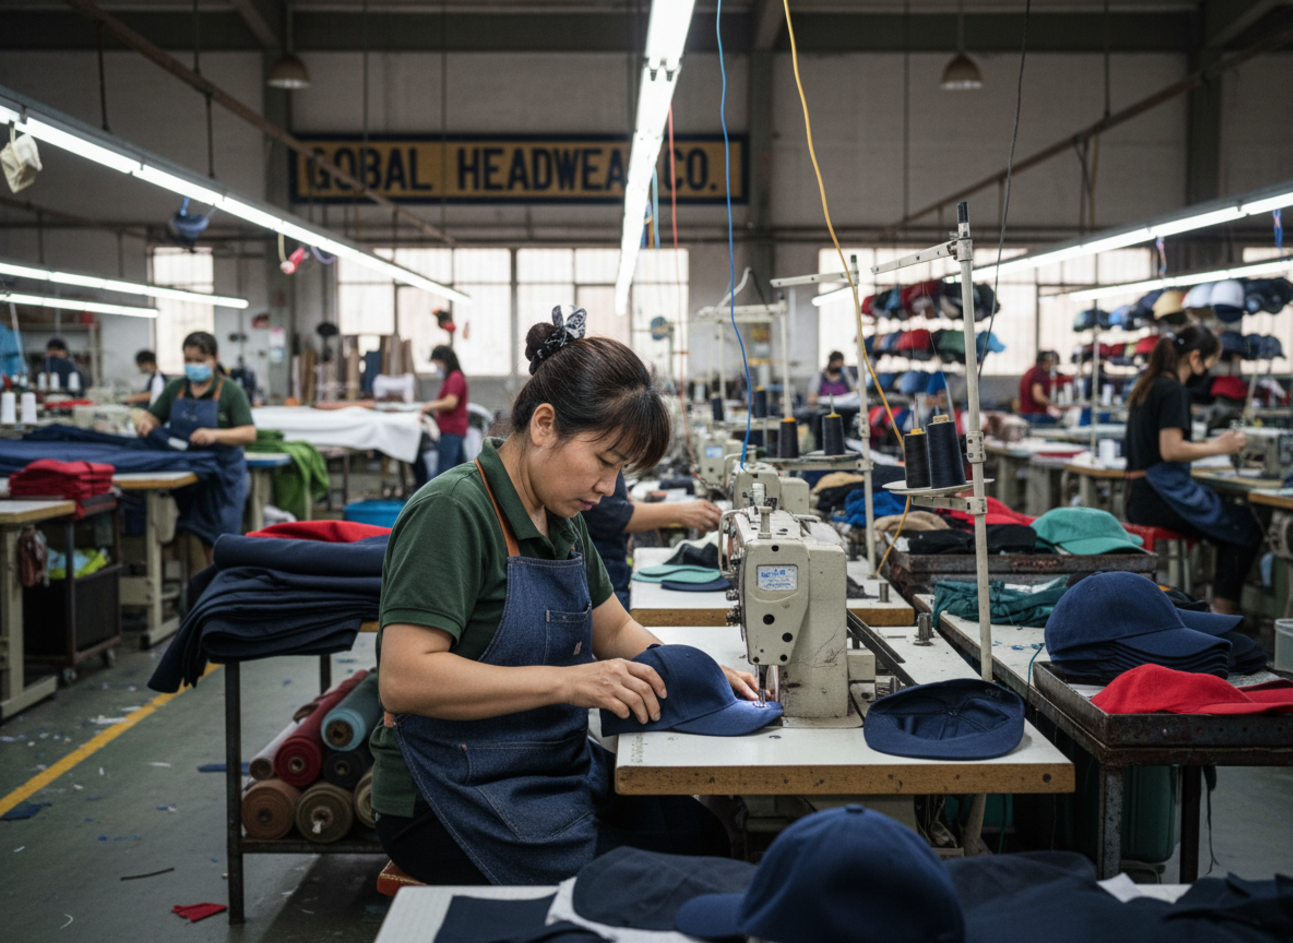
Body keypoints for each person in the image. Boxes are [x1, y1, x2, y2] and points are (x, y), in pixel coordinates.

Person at [373, 307, 756, 886]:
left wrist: (696, 674)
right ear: (545, 425)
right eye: (604, 462)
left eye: (620, 469)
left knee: (701, 836)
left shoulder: (561, 514)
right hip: (450, 793)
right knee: (679, 877)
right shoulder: (454, 511)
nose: (608, 488)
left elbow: (615, 631)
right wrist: (571, 682)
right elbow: (404, 679)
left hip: (545, 765)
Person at [1124, 325, 1260, 615]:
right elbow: (1171, 449)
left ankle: (1211, 607)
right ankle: (1224, 613)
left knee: (1230, 525)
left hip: (1140, 496)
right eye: (1211, 363)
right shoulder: (1173, 390)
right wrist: (1220, 446)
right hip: (1160, 496)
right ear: (1196, 357)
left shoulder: (1148, 384)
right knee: (1245, 527)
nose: (1208, 371)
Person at [133, 331, 255, 553]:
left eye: (199, 360)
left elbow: (249, 433)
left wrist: (215, 435)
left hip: (222, 476)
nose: (193, 366)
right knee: (188, 533)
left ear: (215, 358)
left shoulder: (230, 392)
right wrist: (145, 422)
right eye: (188, 360)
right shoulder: (176, 388)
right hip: (187, 473)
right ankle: (194, 583)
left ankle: (219, 584)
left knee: (222, 541)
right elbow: (154, 416)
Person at [582, 474, 723, 608]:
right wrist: (680, 512)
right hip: (601, 578)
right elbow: (608, 515)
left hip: (608, 572)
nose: (609, 488)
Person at [418, 344, 469, 485]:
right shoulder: (453, 378)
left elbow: (451, 402)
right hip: (453, 430)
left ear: (444, 361)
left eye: (437, 365)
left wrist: (430, 405)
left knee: (443, 475)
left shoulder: (455, 378)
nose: (437, 369)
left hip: (452, 431)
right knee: (458, 472)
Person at [1019, 350, 1059, 417]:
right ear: (1046, 362)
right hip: (1036, 415)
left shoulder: (1030, 371)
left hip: (1026, 414)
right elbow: (1038, 396)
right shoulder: (1039, 374)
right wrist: (1052, 403)